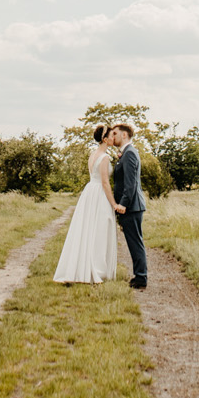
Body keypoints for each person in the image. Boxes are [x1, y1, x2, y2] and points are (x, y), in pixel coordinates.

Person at [52, 124, 122, 283]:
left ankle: (84, 267)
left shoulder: (93, 154)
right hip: (99, 194)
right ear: (105, 139)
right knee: (99, 229)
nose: (114, 138)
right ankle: (96, 268)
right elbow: (105, 183)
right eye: (111, 135)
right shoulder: (104, 158)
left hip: (89, 192)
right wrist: (114, 204)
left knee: (88, 229)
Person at [108, 122, 148, 289]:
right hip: (130, 206)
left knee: (135, 242)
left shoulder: (130, 153)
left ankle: (140, 278)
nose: (113, 136)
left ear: (124, 135)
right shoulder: (125, 153)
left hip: (131, 206)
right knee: (133, 241)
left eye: (115, 133)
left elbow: (130, 184)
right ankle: (139, 275)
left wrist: (123, 204)